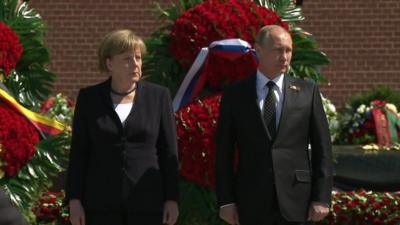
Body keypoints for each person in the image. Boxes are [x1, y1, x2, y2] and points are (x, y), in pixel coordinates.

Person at [215, 25, 333, 225]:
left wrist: (321, 197)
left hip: (297, 200)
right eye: (278, 50)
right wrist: (226, 201)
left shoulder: (307, 92)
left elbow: (323, 148)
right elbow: (223, 150)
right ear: (258, 50)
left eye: (288, 50)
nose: (285, 56)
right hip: (251, 200)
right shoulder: (236, 94)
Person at [65, 29, 179, 225]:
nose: (135, 64)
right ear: (109, 63)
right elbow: (79, 153)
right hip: (100, 206)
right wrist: (74, 200)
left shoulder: (159, 96)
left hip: (148, 204)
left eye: (138, 58)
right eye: (127, 59)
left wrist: (172, 199)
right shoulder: (89, 99)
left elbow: (169, 151)